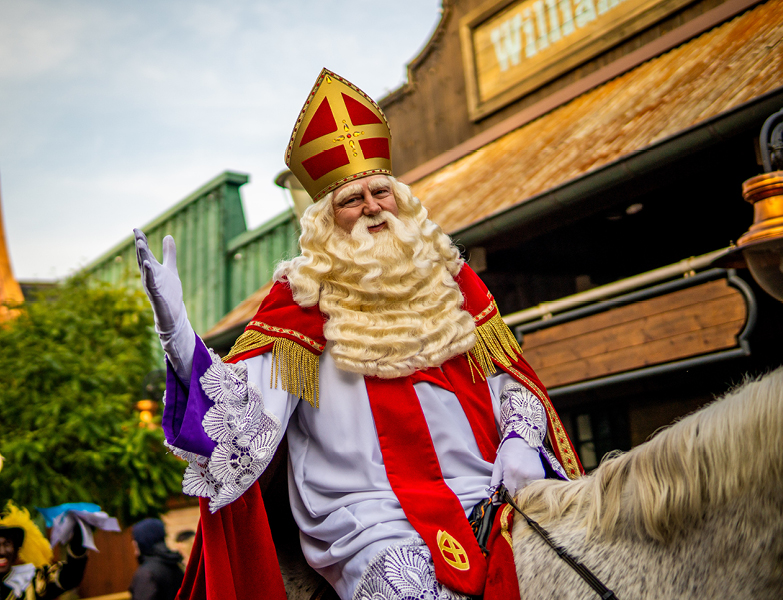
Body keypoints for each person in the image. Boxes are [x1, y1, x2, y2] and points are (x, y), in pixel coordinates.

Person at [134, 68, 582, 600]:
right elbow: (240, 416)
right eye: (353, 199)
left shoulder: (452, 279)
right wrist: (176, 331)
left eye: (381, 191)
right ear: (327, 219)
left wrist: (519, 439)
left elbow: (511, 383)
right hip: (369, 519)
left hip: (488, 492)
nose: (372, 206)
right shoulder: (299, 298)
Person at [0, 502, 87, 600]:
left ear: (16, 550)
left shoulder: (31, 580)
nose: (2, 552)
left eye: (7, 543)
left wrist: (78, 537)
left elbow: (71, 576)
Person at [129, 518, 184, 600]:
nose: (133, 543)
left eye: (135, 539)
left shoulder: (147, 573)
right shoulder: (175, 564)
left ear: (143, 541)